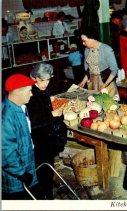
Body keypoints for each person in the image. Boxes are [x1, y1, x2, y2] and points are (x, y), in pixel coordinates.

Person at [26, 63, 65, 199]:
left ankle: (48, 194)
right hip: (37, 140)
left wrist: (55, 107)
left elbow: (44, 107)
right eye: (41, 80)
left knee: (48, 168)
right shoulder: (29, 94)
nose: (45, 83)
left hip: (45, 137)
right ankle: (44, 197)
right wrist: (52, 115)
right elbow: (32, 121)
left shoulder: (42, 91)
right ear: (34, 78)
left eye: (47, 80)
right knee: (42, 170)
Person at [2, 74, 40, 199]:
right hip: (15, 178)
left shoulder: (19, 107)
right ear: (18, 92)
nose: (32, 94)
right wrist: (22, 173)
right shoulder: (6, 117)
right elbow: (6, 153)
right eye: (29, 91)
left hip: (25, 166)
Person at [78, 29, 119, 98]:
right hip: (92, 81)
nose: (83, 43)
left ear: (92, 39)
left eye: (84, 41)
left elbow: (114, 69)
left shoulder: (107, 49)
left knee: (109, 104)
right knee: (94, 105)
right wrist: (83, 81)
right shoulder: (87, 50)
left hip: (105, 81)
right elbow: (89, 69)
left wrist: (105, 84)